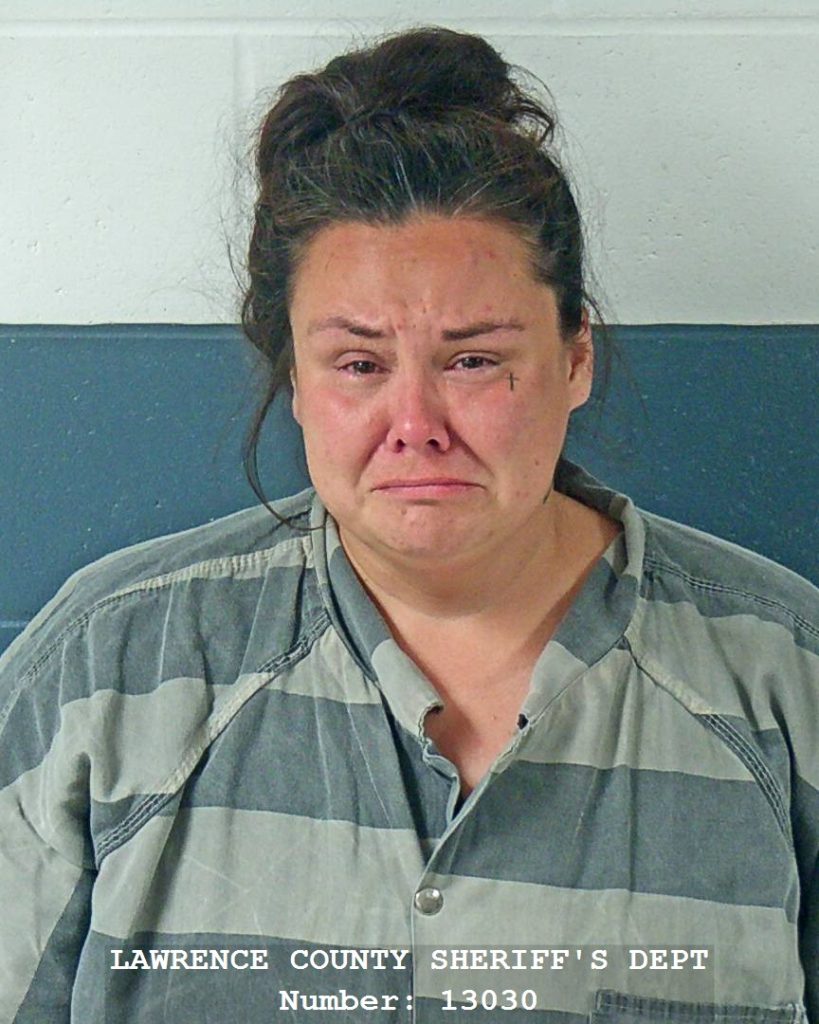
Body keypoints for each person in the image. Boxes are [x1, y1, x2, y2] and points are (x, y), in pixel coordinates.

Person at [0, 25, 816, 1024]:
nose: (416, 424)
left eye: (473, 360)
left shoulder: (784, 679)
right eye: (359, 364)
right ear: (294, 378)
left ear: (575, 360)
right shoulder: (103, 674)